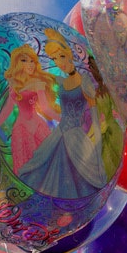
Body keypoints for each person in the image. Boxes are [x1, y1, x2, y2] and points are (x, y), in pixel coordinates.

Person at [16, 28, 108, 199]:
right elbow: (41, 79)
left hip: (75, 137)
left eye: (62, 57)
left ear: (69, 55)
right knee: (42, 172)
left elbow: (94, 114)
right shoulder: (61, 81)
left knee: (76, 182)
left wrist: (96, 148)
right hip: (59, 134)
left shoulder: (85, 81)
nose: (59, 62)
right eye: (55, 59)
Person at [0, 44, 60, 174]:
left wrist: (62, 119)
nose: (30, 64)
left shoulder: (38, 83)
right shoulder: (14, 85)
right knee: (24, 166)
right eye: (24, 60)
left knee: (46, 162)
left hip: (37, 126)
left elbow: (45, 108)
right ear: (17, 63)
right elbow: (8, 108)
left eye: (32, 61)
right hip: (20, 130)